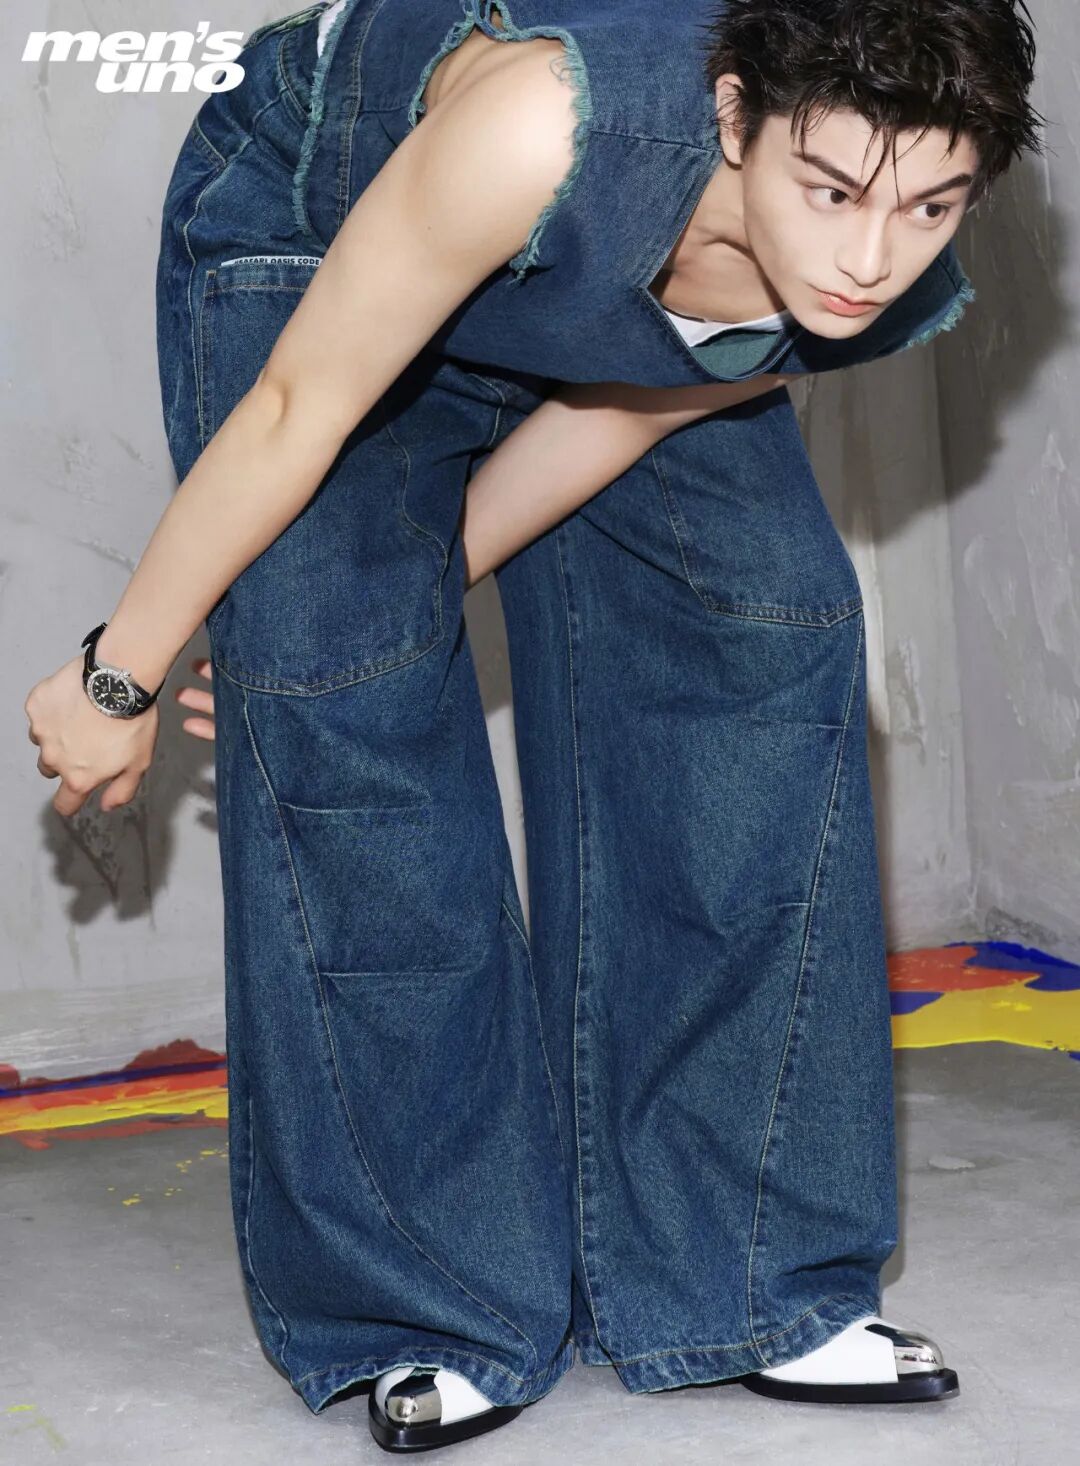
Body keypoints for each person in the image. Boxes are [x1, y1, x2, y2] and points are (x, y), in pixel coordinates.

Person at [25, 0, 1043, 1452]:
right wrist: (119, 676)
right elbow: (302, 403)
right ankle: (432, 1299)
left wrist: (402, 596)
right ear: (738, 119)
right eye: (831, 192)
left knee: (762, 631)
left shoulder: (856, 258)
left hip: (597, 291)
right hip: (323, 228)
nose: (872, 257)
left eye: (932, 206)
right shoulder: (542, 126)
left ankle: (744, 1273)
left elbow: (621, 410)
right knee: (354, 729)